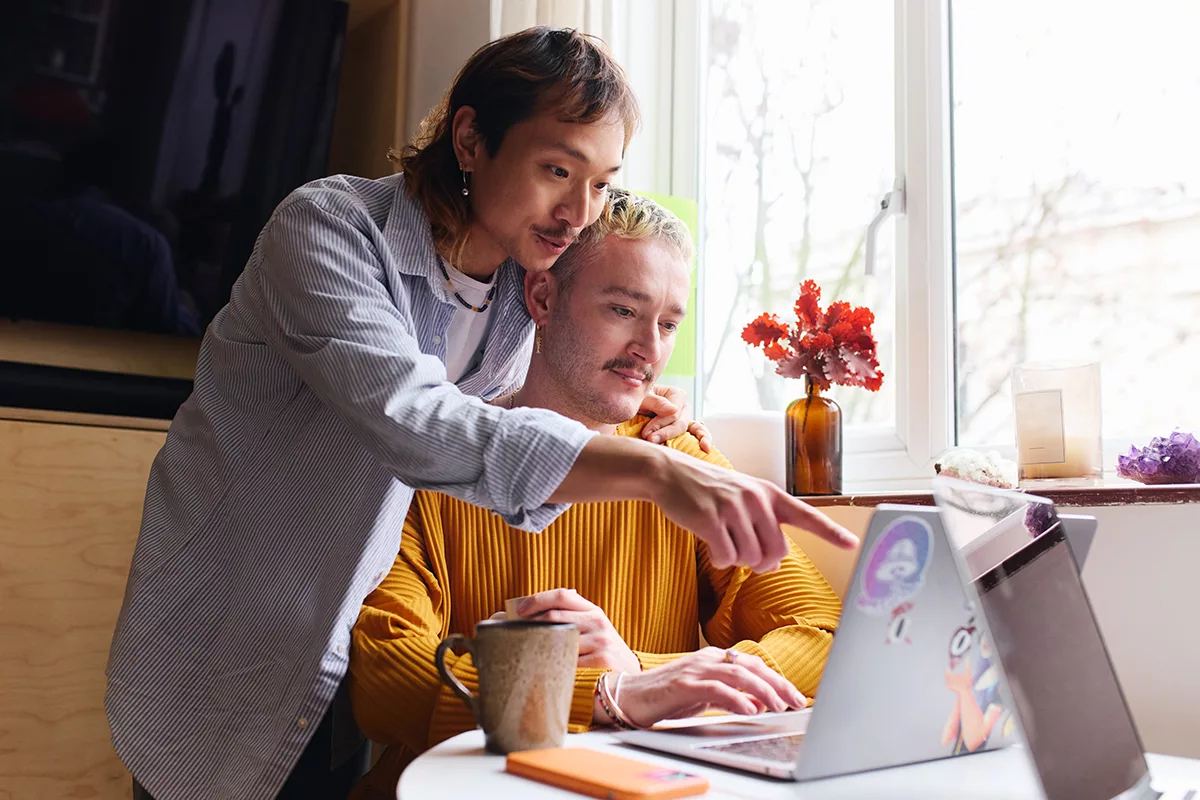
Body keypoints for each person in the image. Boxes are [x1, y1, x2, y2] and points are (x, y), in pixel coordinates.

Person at [106, 27, 856, 800]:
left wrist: (640, 403)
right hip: (235, 645)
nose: (576, 211)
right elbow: (415, 421)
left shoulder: (516, 282)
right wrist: (648, 472)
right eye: (557, 169)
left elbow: (565, 358)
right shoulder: (326, 230)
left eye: (600, 182)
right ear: (470, 138)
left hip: (344, 670)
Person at [346, 189, 844, 798]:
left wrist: (643, 674)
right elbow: (386, 682)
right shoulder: (429, 463)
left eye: (667, 324)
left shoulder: (681, 459)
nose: (649, 350)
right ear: (543, 297)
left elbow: (823, 633)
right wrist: (607, 694)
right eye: (622, 310)